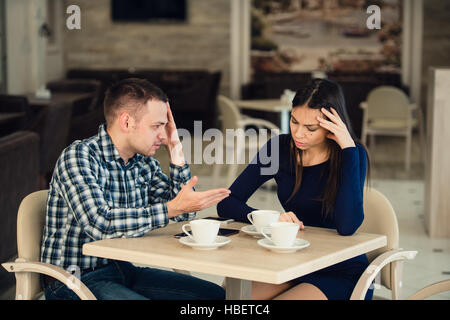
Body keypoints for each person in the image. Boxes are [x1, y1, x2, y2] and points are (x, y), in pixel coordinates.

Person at [40, 78, 230, 300]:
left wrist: (176, 149)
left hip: (120, 270)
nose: (163, 134)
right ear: (127, 122)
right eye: (157, 126)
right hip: (72, 279)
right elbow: (98, 222)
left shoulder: (142, 162)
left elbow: (184, 213)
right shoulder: (79, 156)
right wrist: (170, 209)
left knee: (215, 296)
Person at [217, 78, 372, 300]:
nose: (299, 134)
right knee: (233, 299)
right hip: (292, 260)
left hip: (340, 269)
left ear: (332, 125)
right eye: (294, 121)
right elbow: (227, 203)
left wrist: (347, 148)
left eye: (311, 128)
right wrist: (271, 219)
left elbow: (347, 226)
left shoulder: (351, 154)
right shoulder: (278, 149)